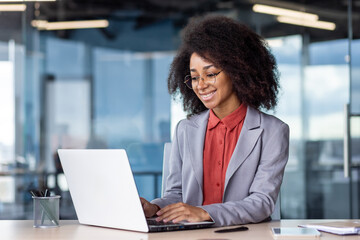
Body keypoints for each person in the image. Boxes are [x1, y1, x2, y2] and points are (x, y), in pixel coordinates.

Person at [140, 15, 289, 227]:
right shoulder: (185, 129)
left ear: (237, 71)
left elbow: (262, 202)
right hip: (191, 234)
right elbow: (176, 194)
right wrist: (154, 208)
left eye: (210, 74)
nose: (201, 85)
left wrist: (204, 212)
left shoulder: (273, 131)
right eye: (194, 77)